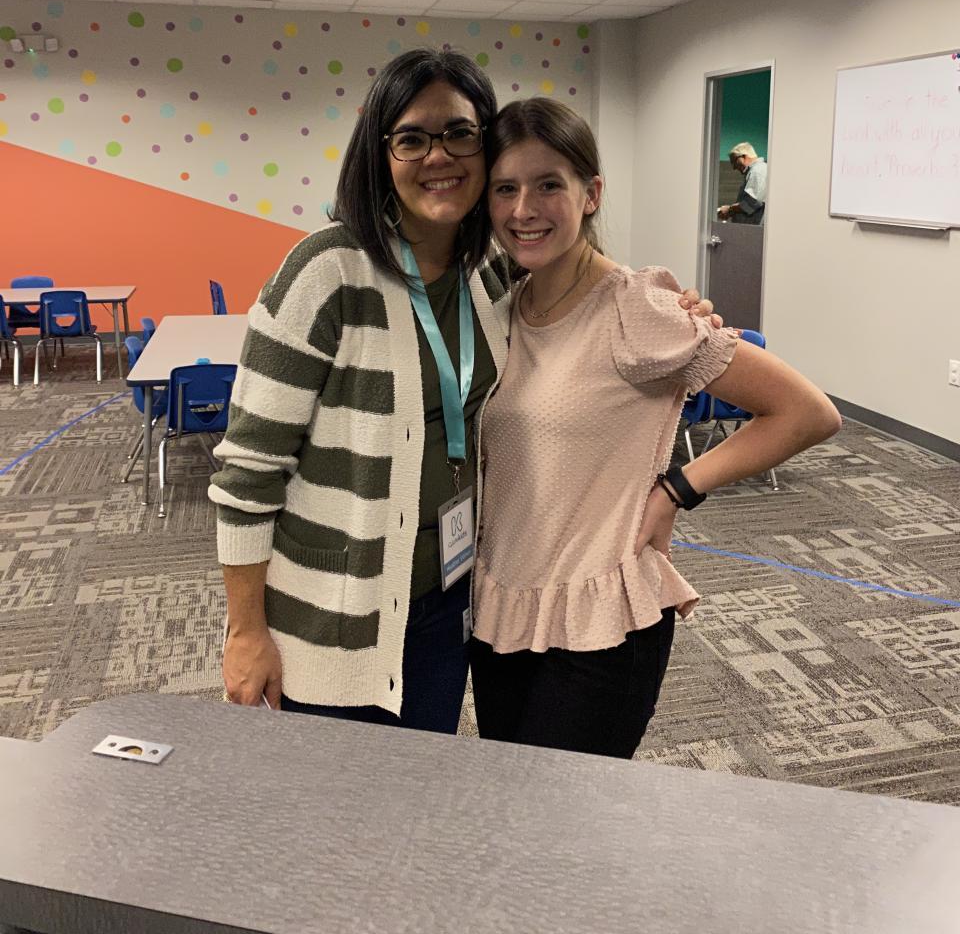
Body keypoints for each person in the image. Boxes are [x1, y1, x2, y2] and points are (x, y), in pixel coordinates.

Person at [209, 49, 715, 734]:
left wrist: (669, 310)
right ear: (380, 154)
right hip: (335, 615)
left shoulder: (489, 279)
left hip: (447, 606)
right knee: (336, 795)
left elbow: (582, 315)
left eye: (458, 133)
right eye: (412, 138)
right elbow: (249, 470)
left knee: (426, 789)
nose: (438, 155)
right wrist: (245, 631)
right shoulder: (327, 272)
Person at [469, 98, 840, 760]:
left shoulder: (635, 308)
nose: (524, 208)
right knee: (511, 799)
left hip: (601, 621)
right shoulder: (502, 306)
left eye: (549, 184)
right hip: (503, 607)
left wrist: (677, 489)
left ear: (590, 194)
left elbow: (807, 412)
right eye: (505, 188)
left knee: (563, 812)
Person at [718, 142, 767, 224]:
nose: (734, 167)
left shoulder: (757, 171)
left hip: (752, 229)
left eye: (734, 161)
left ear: (744, 156)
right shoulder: (755, 170)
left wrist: (729, 209)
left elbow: (752, 203)